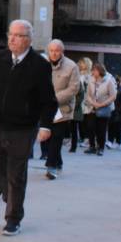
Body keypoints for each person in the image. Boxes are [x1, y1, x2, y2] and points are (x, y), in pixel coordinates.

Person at [0, 20, 55, 236]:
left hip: (23, 128)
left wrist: (46, 126)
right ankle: (8, 194)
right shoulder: (2, 57)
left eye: (18, 35)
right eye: (10, 34)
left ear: (28, 40)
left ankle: (13, 218)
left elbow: (48, 100)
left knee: (16, 174)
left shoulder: (40, 65)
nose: (12, 39)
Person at [44, 39, 79, 179]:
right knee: (47, 138)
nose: (54, 53)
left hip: (62, 108)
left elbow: (74, 88)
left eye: (57, 51)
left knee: (56, 138)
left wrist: (54, 99)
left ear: (62, 52)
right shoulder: (43, 63)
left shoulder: (71, 66)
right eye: (51, 50)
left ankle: (51, 167)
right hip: (45, 108)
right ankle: (57, 162)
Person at [83, 64, 115, 156]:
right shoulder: (91, 81)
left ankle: (101, 147)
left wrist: (101, 104)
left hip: (103, 108)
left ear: (100, 71)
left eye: (94, 70)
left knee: (101, 129)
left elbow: (113, 96)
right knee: (90, 127)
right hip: (92, 108)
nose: (92, 72)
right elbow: (88, 95)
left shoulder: (108, 81)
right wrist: (93, 103)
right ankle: (92, 146)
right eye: (92, 70)